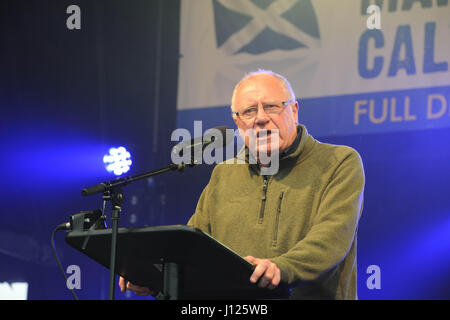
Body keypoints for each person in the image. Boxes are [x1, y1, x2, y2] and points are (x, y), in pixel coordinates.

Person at [120, 69, 365, 299]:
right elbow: (192, 249)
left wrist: (282, 268)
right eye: (249, 111)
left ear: (294, 111)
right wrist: (156, 276)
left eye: (271, 107)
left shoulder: (339, 161)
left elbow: (331, 239)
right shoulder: (224, 174)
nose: (260, 118)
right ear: (238, 123)